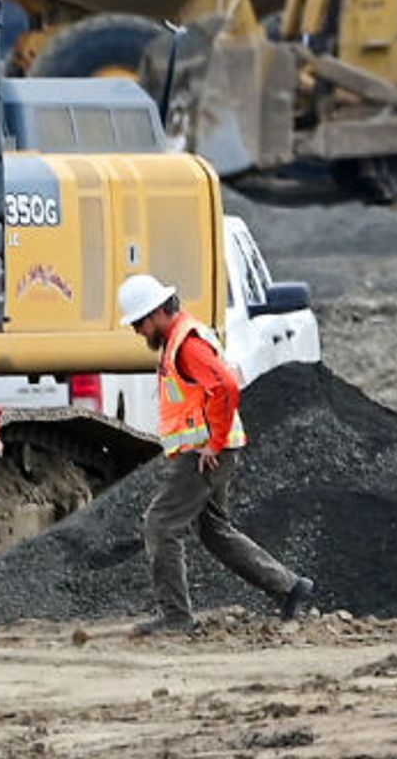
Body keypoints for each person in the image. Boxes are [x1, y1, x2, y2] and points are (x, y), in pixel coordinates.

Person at [118, 271, 318, 633]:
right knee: (214, 531)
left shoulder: (187, 345)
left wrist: (214, 441)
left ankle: (176, 618)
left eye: (138, 323)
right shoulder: (180, 339)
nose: (137, 331)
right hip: (208, 449)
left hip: (203, 452)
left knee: (160, 525)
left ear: (157, 313)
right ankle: (289, 587)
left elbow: (225, 386)